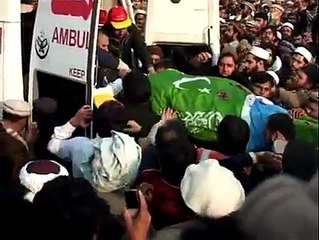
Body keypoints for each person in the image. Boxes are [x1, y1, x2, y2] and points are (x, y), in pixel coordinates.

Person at [103, 5, 154, 73]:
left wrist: (150, 67)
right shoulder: (104, 34)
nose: (121, 32)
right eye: (117, 29)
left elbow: (141, 48)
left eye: (124, 28)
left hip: (127, 68)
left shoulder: (132, 29)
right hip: (109, 69)